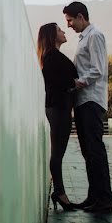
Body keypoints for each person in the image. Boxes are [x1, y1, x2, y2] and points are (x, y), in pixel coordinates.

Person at [63, 1, 112, 214]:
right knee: (88, 152)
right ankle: (94, 197)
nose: (69, 25)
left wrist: (77, 82)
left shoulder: (95, 36)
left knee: (95, 151)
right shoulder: (85, 37)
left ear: (81, 17)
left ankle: (105, 201)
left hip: (91, 100)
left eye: (70, 20)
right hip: (84, 101)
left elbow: (97, 70)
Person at [37, 23, 79, 211]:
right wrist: (73, 83)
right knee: (57, 153)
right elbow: (53, 82)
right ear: (53, 35)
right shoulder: (51, 57)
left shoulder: (51, 56)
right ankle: (60, 193)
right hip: (58, 108)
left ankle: (59, 192)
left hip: (60, 108)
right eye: (60, 30)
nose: (63, 31)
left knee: (58, 152)